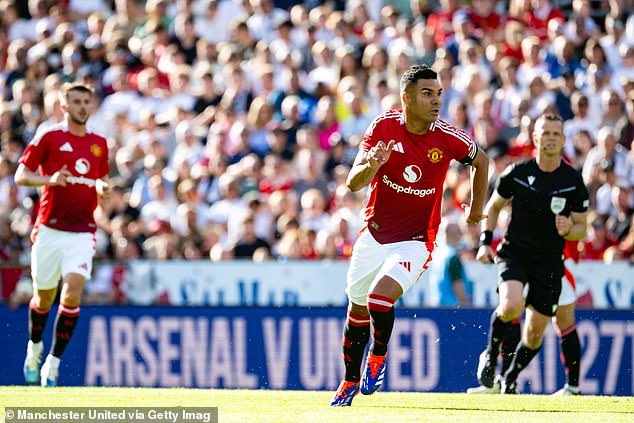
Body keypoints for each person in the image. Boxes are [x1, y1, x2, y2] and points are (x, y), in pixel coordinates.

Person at [330, 64, 489, 406]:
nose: (436, 101)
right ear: (407, 98)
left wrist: (476, 210)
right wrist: (372, 164)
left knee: (379, 298)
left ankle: (378, 357)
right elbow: (352, 182)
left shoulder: (448, 136)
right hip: (374, 234)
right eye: (427, 94)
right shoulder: (384, 126)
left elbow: (482, 160)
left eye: (438, 94)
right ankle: (348, 382)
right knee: (356, 309)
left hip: (416, 240)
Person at [474, 113, 589, 394]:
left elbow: (582, 228)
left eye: (555, 133)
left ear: (562, 140)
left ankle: (510, 377)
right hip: (515, 253)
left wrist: (568, 228)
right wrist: (485, 241)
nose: (550, 138)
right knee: (511, 304)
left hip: (549, 261)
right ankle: (490, 354)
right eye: (545, 133)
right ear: (535, 138)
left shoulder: (573, 180)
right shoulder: (517, 172)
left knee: (535, 333)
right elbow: (493, 207)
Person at [15, 82, 110, 387]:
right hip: (50, 230)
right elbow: (21, 175)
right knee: (43, 298)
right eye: (76, 101)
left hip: (82, 232)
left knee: (71, 293)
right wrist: (50, 180)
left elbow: (100, 179)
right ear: (64, 106)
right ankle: (35, 349)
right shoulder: (50, 137)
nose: (83, 106)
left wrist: (103, 188)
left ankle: (53, 364)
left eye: (86, 101)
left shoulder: (99, 143)